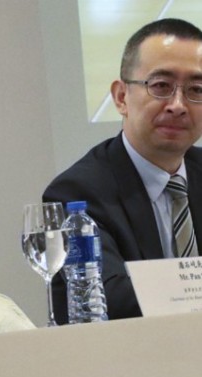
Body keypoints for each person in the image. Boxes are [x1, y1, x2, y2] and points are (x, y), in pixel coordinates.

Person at [44, 18, 202, 322]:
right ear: (121, 97)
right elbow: (108, 301)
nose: (178, 105)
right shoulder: (76, 193)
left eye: (196, 89)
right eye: (161, 86)